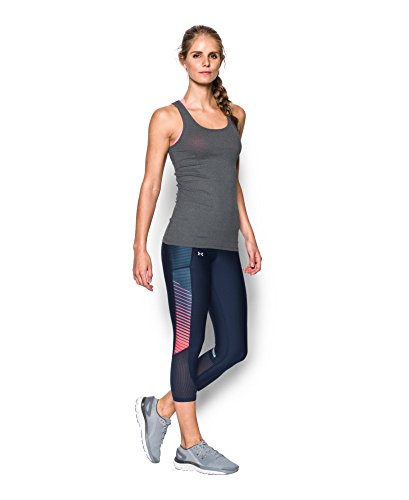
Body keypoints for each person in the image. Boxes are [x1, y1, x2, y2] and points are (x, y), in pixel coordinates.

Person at [132, 25, 262, 475]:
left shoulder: (235, 116)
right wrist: (139, 247)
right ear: (183, 60)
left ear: (221, 60)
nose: (205, 62)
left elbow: (231, 179)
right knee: (186, 345)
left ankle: (160, 408)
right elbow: (151, 185)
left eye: (213, 55)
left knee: (233, 348)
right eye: (197, 55)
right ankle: (190, 444)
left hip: (224, 246)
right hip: (184, 247)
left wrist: (248, 233)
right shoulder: (167, 118)